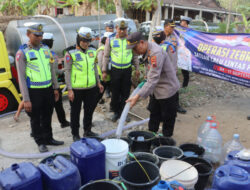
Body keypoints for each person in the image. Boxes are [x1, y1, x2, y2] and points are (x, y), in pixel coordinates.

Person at [16, 23, 64, 153]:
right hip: (34, 91)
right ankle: (40, 141)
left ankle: (49, 138)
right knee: (36, 118)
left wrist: (55, 88)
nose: (39, 37)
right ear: (28, 34)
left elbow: (51, 70)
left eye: (41, 35)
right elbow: (21, 77)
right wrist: (26, 99)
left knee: (48, 114)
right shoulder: (23, 52)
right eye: (36, 35)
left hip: (48, 89)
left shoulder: (46, 49)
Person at [126, 32, 180, 137]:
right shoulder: (148, 50)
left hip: (167, 90)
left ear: (141, 43)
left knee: (168, 118)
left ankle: (166, 144)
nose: (134, 52)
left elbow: (153, 77)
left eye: (135, 48)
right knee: (154, 115)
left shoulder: (156, 53)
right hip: (156, 91)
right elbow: (151, 73)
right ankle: (151, 139)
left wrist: (137, 96)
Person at [64, 27, 104, 142]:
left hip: (91, 88)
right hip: (76, 89)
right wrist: (70, 89)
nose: (86, 44)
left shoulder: (92, 50)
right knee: (75, 112)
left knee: (89, 110)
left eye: (88, 41)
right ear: (78, 39)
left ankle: (87, 131)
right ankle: (75, 134)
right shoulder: (70, 52)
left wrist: (98, 82)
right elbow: (67, 71)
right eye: (83, 41)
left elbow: (94, 68)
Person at [102, 18, 140, 122]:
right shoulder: (110, 39)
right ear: (116, 28)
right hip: (115, 70)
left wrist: (137, 68)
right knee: (115, 92)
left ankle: (124, 112)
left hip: (127, 70)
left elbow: (135, 56)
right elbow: (106, 56)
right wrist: (104, 71)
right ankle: (115, 112)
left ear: (127, 28)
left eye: (124, 29)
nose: (122, 31)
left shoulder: (131, 40)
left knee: (125, 92)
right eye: (120, 29)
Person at [42, 32, 70, 128]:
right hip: (53, 85)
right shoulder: (51, 54)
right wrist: (64, 71)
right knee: (58, 105)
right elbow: (54, 72)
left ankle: (37, 129)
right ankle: (63, 122)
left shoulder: (39, 52)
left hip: (41, 85)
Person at [163, 19, 187, 114]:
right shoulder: (159, 37)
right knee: (162, 88)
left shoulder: (174, 37)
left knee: (175, 87)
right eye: (171, 27)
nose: (173, 29)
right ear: (165, 27)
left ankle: (176, 105)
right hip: (162, 69)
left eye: (173, 27)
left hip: (172, 68)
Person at [96, 32, 113, 104]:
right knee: (100, 91)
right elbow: (100, 63)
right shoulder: (102, 50)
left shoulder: (108, 48)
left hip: (108, 75)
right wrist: (104, 73)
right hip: (103, 76)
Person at [179, 16, 192, 88]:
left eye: (182, 22)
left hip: (186, 52)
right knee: (182, 67)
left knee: (185, 69)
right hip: (180, 51)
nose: (181, 23)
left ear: (185, 23)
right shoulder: (181, 30)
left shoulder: (190, 31)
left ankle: (185, 85)